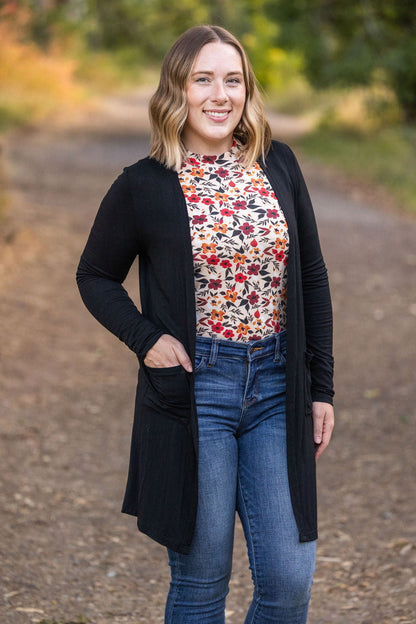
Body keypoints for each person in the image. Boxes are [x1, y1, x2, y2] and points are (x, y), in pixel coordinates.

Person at [76, 24, 334, 624]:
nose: (220, 95)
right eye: (203, 80)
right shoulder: (144, 184)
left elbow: (313, 278)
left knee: (289, 581)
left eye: (233, 80)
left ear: (247, 91)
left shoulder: (279, 164)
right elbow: (94, 275)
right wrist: (147, 340)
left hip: (277, 388)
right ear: (177, 92)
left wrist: (322, 388)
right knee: (201, 581)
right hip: (196, 392)